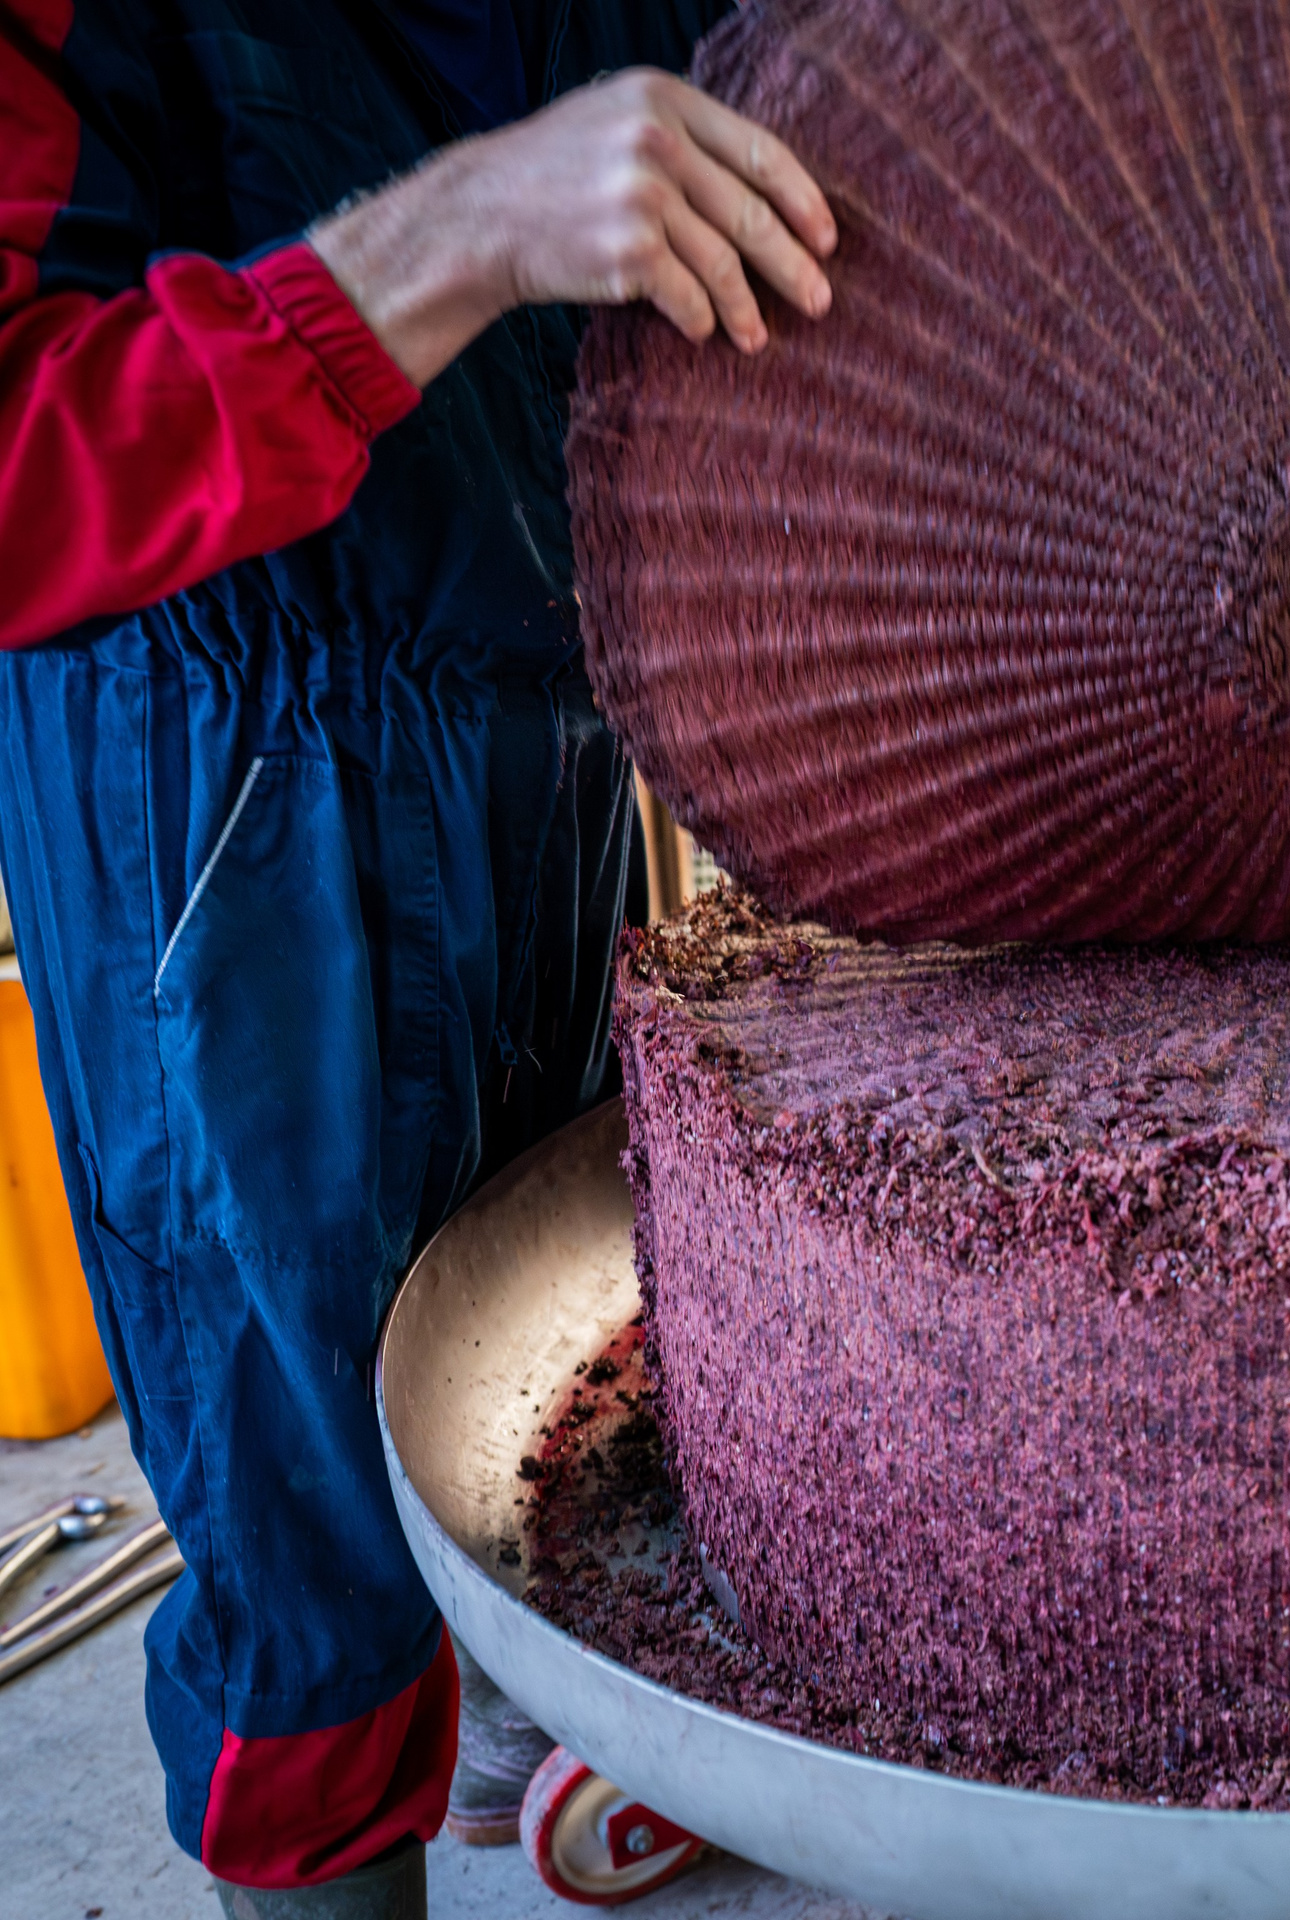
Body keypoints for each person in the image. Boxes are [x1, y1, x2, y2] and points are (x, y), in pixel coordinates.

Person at [0, 0, 835, 1904]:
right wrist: (457, 233)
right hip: (222, 756)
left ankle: (532, 1742)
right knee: (313, 1575)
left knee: (564, 1378)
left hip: (540, 677)